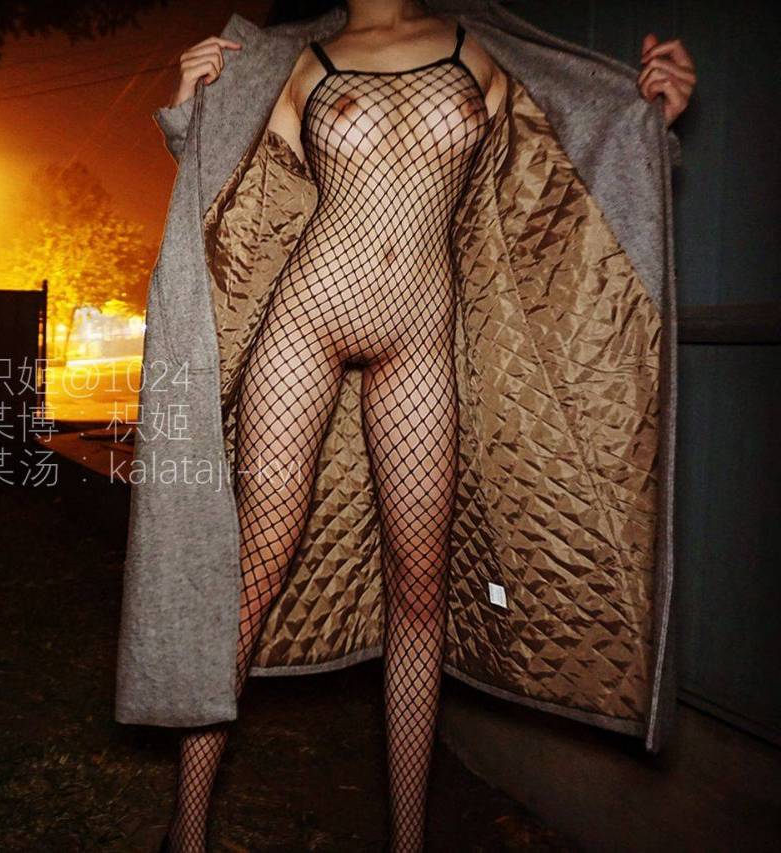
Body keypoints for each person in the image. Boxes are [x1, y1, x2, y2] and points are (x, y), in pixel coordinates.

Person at [150, 3, 696, 852]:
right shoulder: (301, 57)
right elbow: (224, 174)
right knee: (252, 573)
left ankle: (408, 842)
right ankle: (186, 832)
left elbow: (569, 148)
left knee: (420, 593)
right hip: (307, 318)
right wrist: (192, 109)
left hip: (420, 336)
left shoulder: (482, 49)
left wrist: (652, 113)